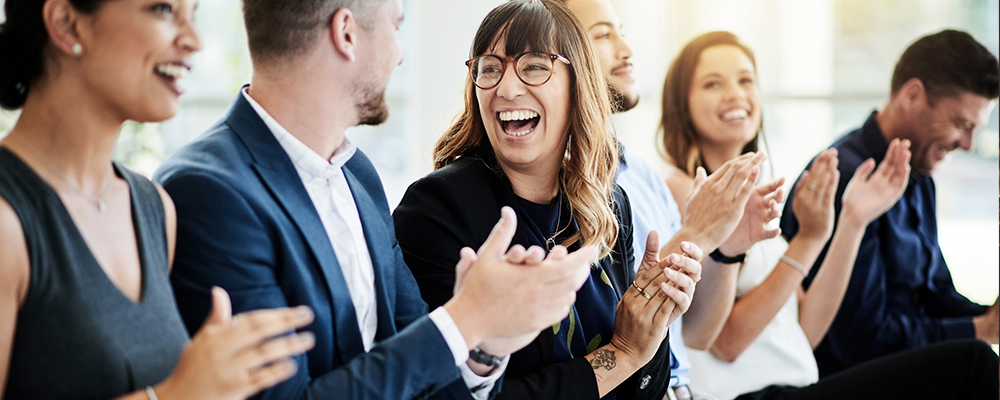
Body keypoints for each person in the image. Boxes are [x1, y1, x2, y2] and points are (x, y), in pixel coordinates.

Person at [153, 0, 598, 399]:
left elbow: (417, 359)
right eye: (395, 25)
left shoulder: (358, 174)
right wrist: (465, 320)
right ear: (346, 33)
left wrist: (483, 346)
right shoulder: (209, 193)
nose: (399, 54)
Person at [0, 0, 319, 399]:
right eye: (164, 9)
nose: (194, 41)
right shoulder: (6, 221)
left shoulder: (154, 209)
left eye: (195, 14)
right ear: (67, 24)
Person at [394, 1, 711, 399]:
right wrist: (624, 353)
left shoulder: (608, 201)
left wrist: (650, 320)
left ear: (578, 84)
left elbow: (643, 389)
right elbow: (448, 392)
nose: (506, 88)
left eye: (534, 66)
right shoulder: (437, 210)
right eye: (490, 69)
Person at [661, 31, 998, 400]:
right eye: (713, 83)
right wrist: (806, 240)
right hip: (748, 394)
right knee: (976, 365)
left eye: (746, 80)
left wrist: (845, 224)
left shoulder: (756, 199)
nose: (736, 94)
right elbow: (725, 342)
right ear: (683, 104)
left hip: (798, 383)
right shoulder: (682, 190)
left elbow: (805, 330)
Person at [559, 2, 787, 399]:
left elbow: (695, 333)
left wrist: (727, 250)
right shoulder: (558, 185)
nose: (626, 50)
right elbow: (613, 326)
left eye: (621, 31)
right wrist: (697, 232)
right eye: (602, 35)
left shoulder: (641, 173)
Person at [779, 29, 1000, 377]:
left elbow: (935, 293)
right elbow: (859, 340)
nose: (969, 144)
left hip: (900, 364)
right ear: (912, 95)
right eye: (961, 124)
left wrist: (990, 317)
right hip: (846, 376)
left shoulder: (920, 172)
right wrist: (979, 330)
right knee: (981, 366)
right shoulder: (844, 177)